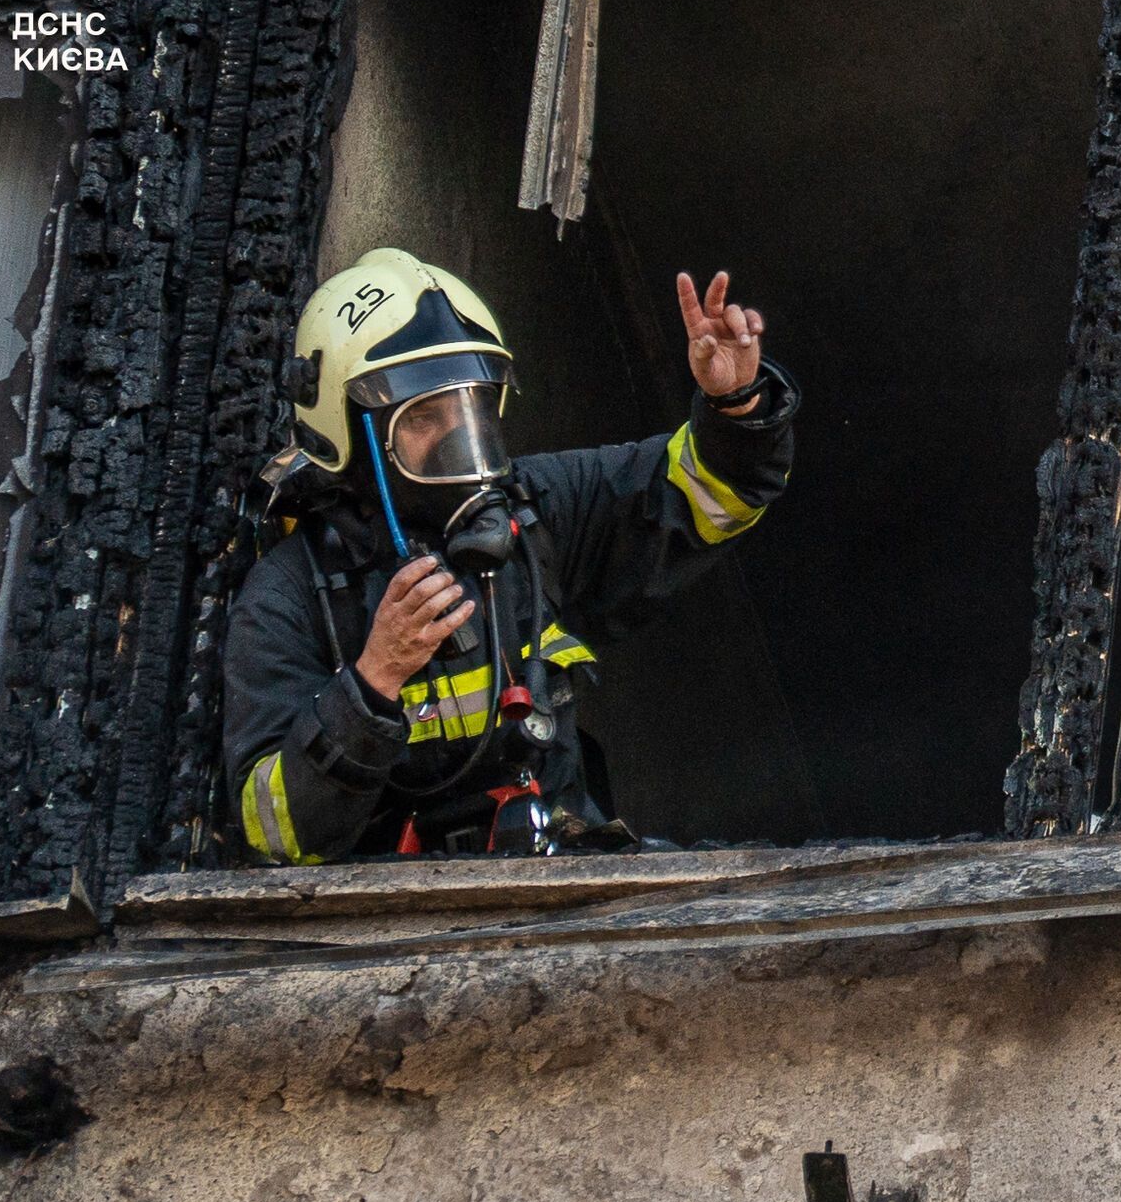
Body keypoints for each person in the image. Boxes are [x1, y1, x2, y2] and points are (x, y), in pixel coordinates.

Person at [223, 248, 797, 863]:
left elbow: (707, 498)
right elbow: (277, 836)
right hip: (395, 926)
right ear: (346, 429)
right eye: (427, 417)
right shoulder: (285, 598)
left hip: (562, 881)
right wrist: (373, 681)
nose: (458, 437)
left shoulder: (532, 511)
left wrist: (736, 406)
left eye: (471, 406)